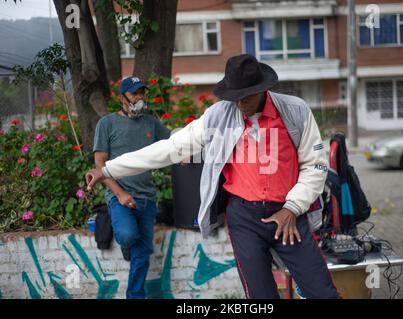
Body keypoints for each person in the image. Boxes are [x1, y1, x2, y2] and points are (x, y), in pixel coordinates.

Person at [86, 55, 339, 299]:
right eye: (234, 96)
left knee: (321, 290)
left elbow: (315, 165)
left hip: (288, 215)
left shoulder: (294, 112)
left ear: (262, 88)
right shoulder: (219, 115)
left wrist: (293, 207)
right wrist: (108, 170)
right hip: (244, 218)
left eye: (245, 96)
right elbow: (170, 149)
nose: (239, 103)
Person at [92, 76, 170, 299]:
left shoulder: (150, 122)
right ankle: (127, 241)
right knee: (127, 236)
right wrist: (121, 193)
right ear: (122, 98)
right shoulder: (106, 124)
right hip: (120, 196)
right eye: (135, 93)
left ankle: (135, 296)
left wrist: (184, 152)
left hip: (147, 198)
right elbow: (100, 166)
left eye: (142, 93)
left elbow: (171, 143)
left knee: (142, 255)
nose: (140, 98)